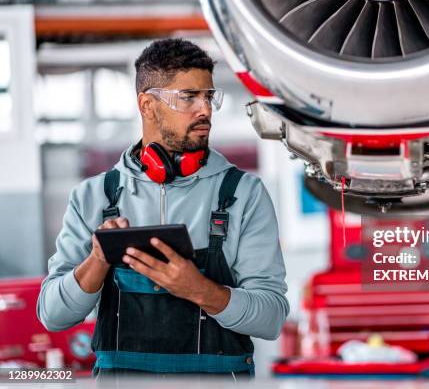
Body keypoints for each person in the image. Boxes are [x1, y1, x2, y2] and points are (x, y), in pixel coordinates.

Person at [36, 38, 289, 378]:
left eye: (209, 96)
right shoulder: (94, 197)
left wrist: (198, 289)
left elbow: (271, 317)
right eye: (189, 97)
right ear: (147, 105)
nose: (205, 109)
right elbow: (53, 315)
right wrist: (98, 259)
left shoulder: (244, 193)